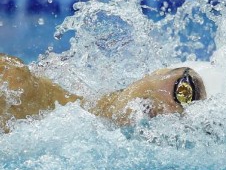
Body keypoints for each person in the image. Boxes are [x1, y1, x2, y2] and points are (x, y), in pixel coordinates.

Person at [0, 53, 207, 132]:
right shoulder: (17, 83)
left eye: (181, 116)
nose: (170, 111)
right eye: (183, 91)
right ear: (158, 73)